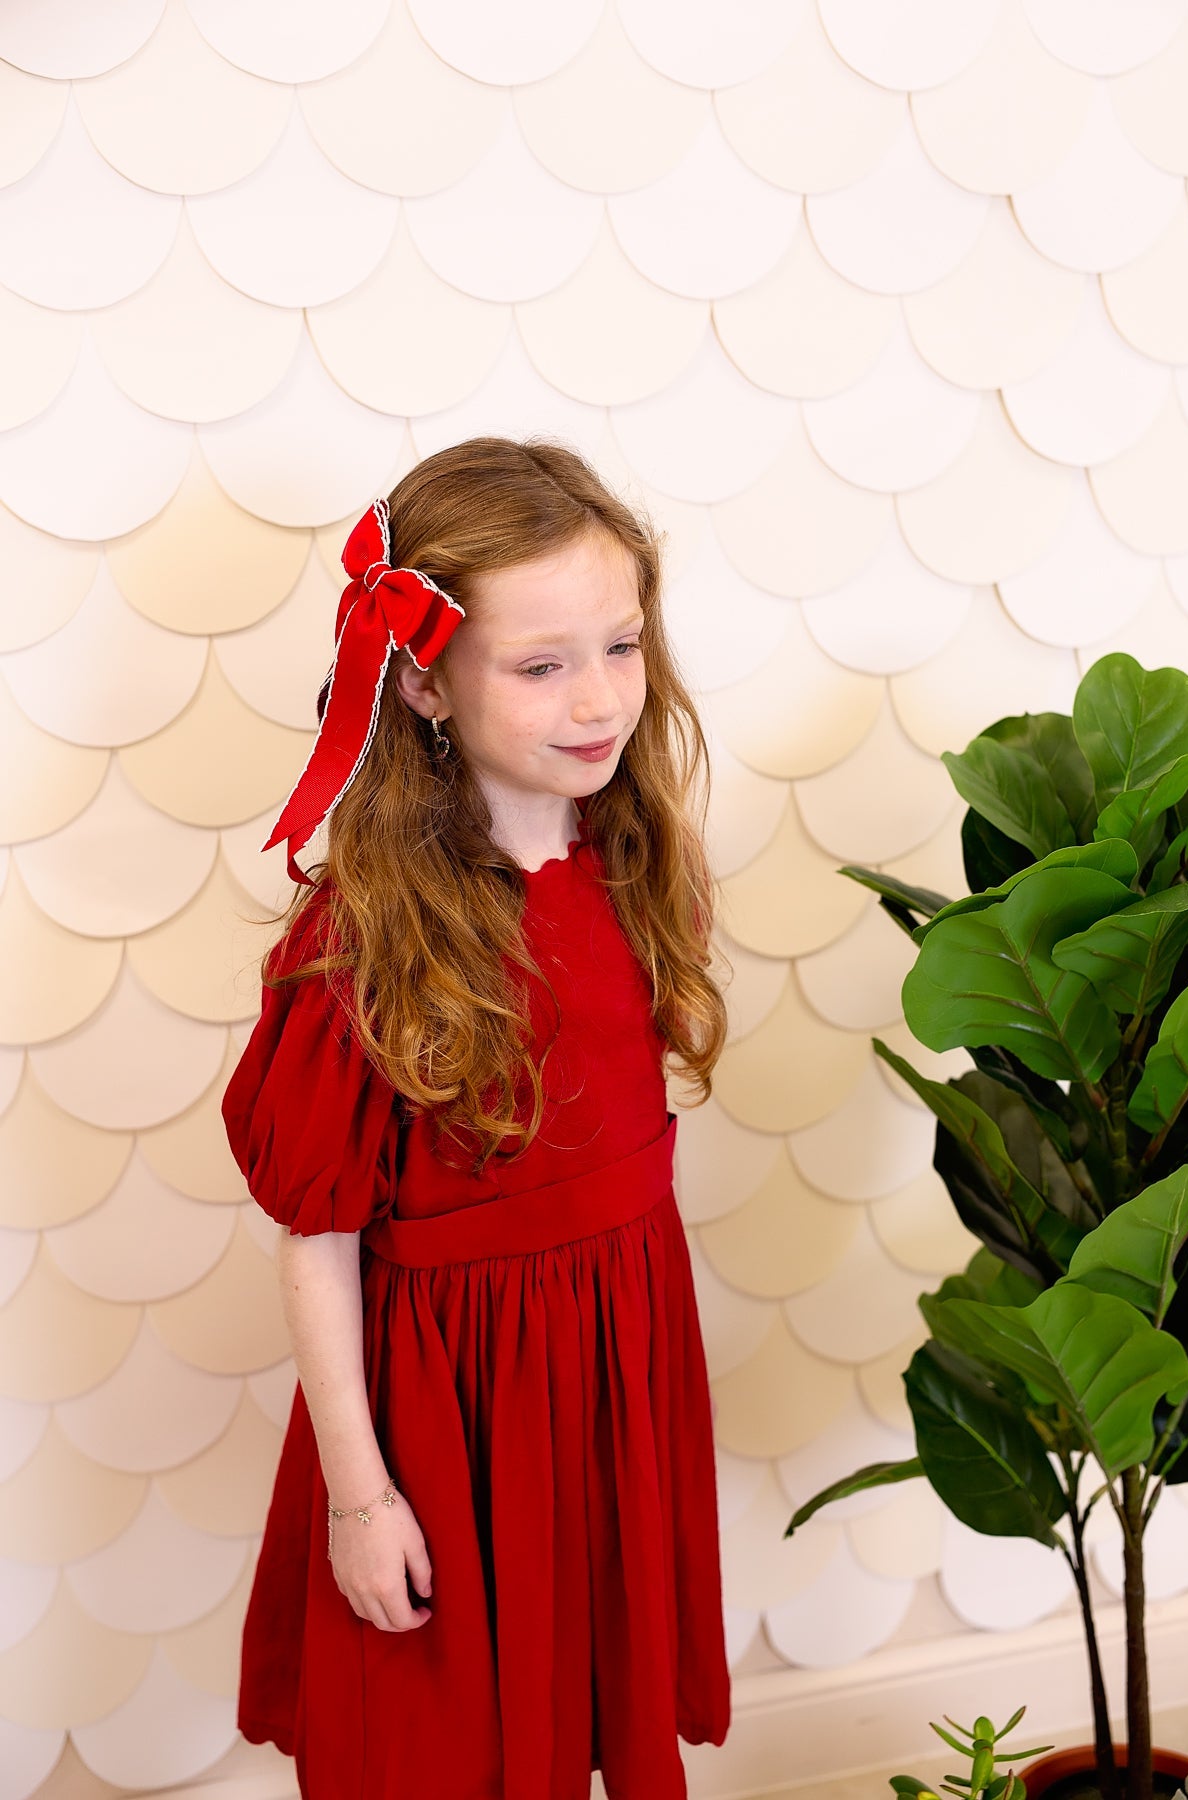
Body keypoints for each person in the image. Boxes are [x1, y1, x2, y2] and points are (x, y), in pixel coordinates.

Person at [221, 436, 733, 1799]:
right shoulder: (363, 939)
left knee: (585, 1711)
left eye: (621, 646)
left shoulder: (635, 866)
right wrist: (361, 1494)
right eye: (541, 664)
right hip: (452, 1411)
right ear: (426, 682)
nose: (599, 698)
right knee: (447, 1744)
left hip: (616, 1374)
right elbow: (317, 1237)